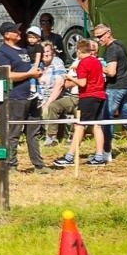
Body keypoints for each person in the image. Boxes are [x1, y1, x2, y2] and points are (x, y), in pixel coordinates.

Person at [92, 23, 127, 158]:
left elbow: (111, 72)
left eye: (100, 36)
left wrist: (97, 66)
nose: (98, 40)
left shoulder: (112, 49)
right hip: (126, 86)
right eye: (96, 37)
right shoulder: (120, 44)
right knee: (125, 116)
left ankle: (106, 152)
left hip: (116, 87)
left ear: (108, 33)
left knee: (107, 118)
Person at [0, 22, 45, 173]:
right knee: (14, 132)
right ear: (6, 35)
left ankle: (39, 165)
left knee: (34, 132)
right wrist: (29, 74)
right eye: (15, 31)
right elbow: (7, 75)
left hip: (32, 96)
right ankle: (11, 165)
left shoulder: (23, 50)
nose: (19, 33)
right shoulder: (3, 52)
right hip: (16, 97)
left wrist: (36, 73)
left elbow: (30, 68)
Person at [52, 38, 109, 167]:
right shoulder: (97, 62)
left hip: (88, 97)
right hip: (100, 95)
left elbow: (82, 83)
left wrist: (70, 77)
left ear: (78, 51)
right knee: (97, 126)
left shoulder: (83, 63)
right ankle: (99, 157)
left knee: (79, 125)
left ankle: (69, 157)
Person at [35, 38, 74, 146]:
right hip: (40, 97)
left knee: (49, 108)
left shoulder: (57, 62)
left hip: (57, 96)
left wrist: (48, 102)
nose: (45, 54)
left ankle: (51, 138)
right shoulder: (39, 65)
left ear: (52, 52)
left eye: (48, 51)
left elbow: (59, 84)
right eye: (43, 52)